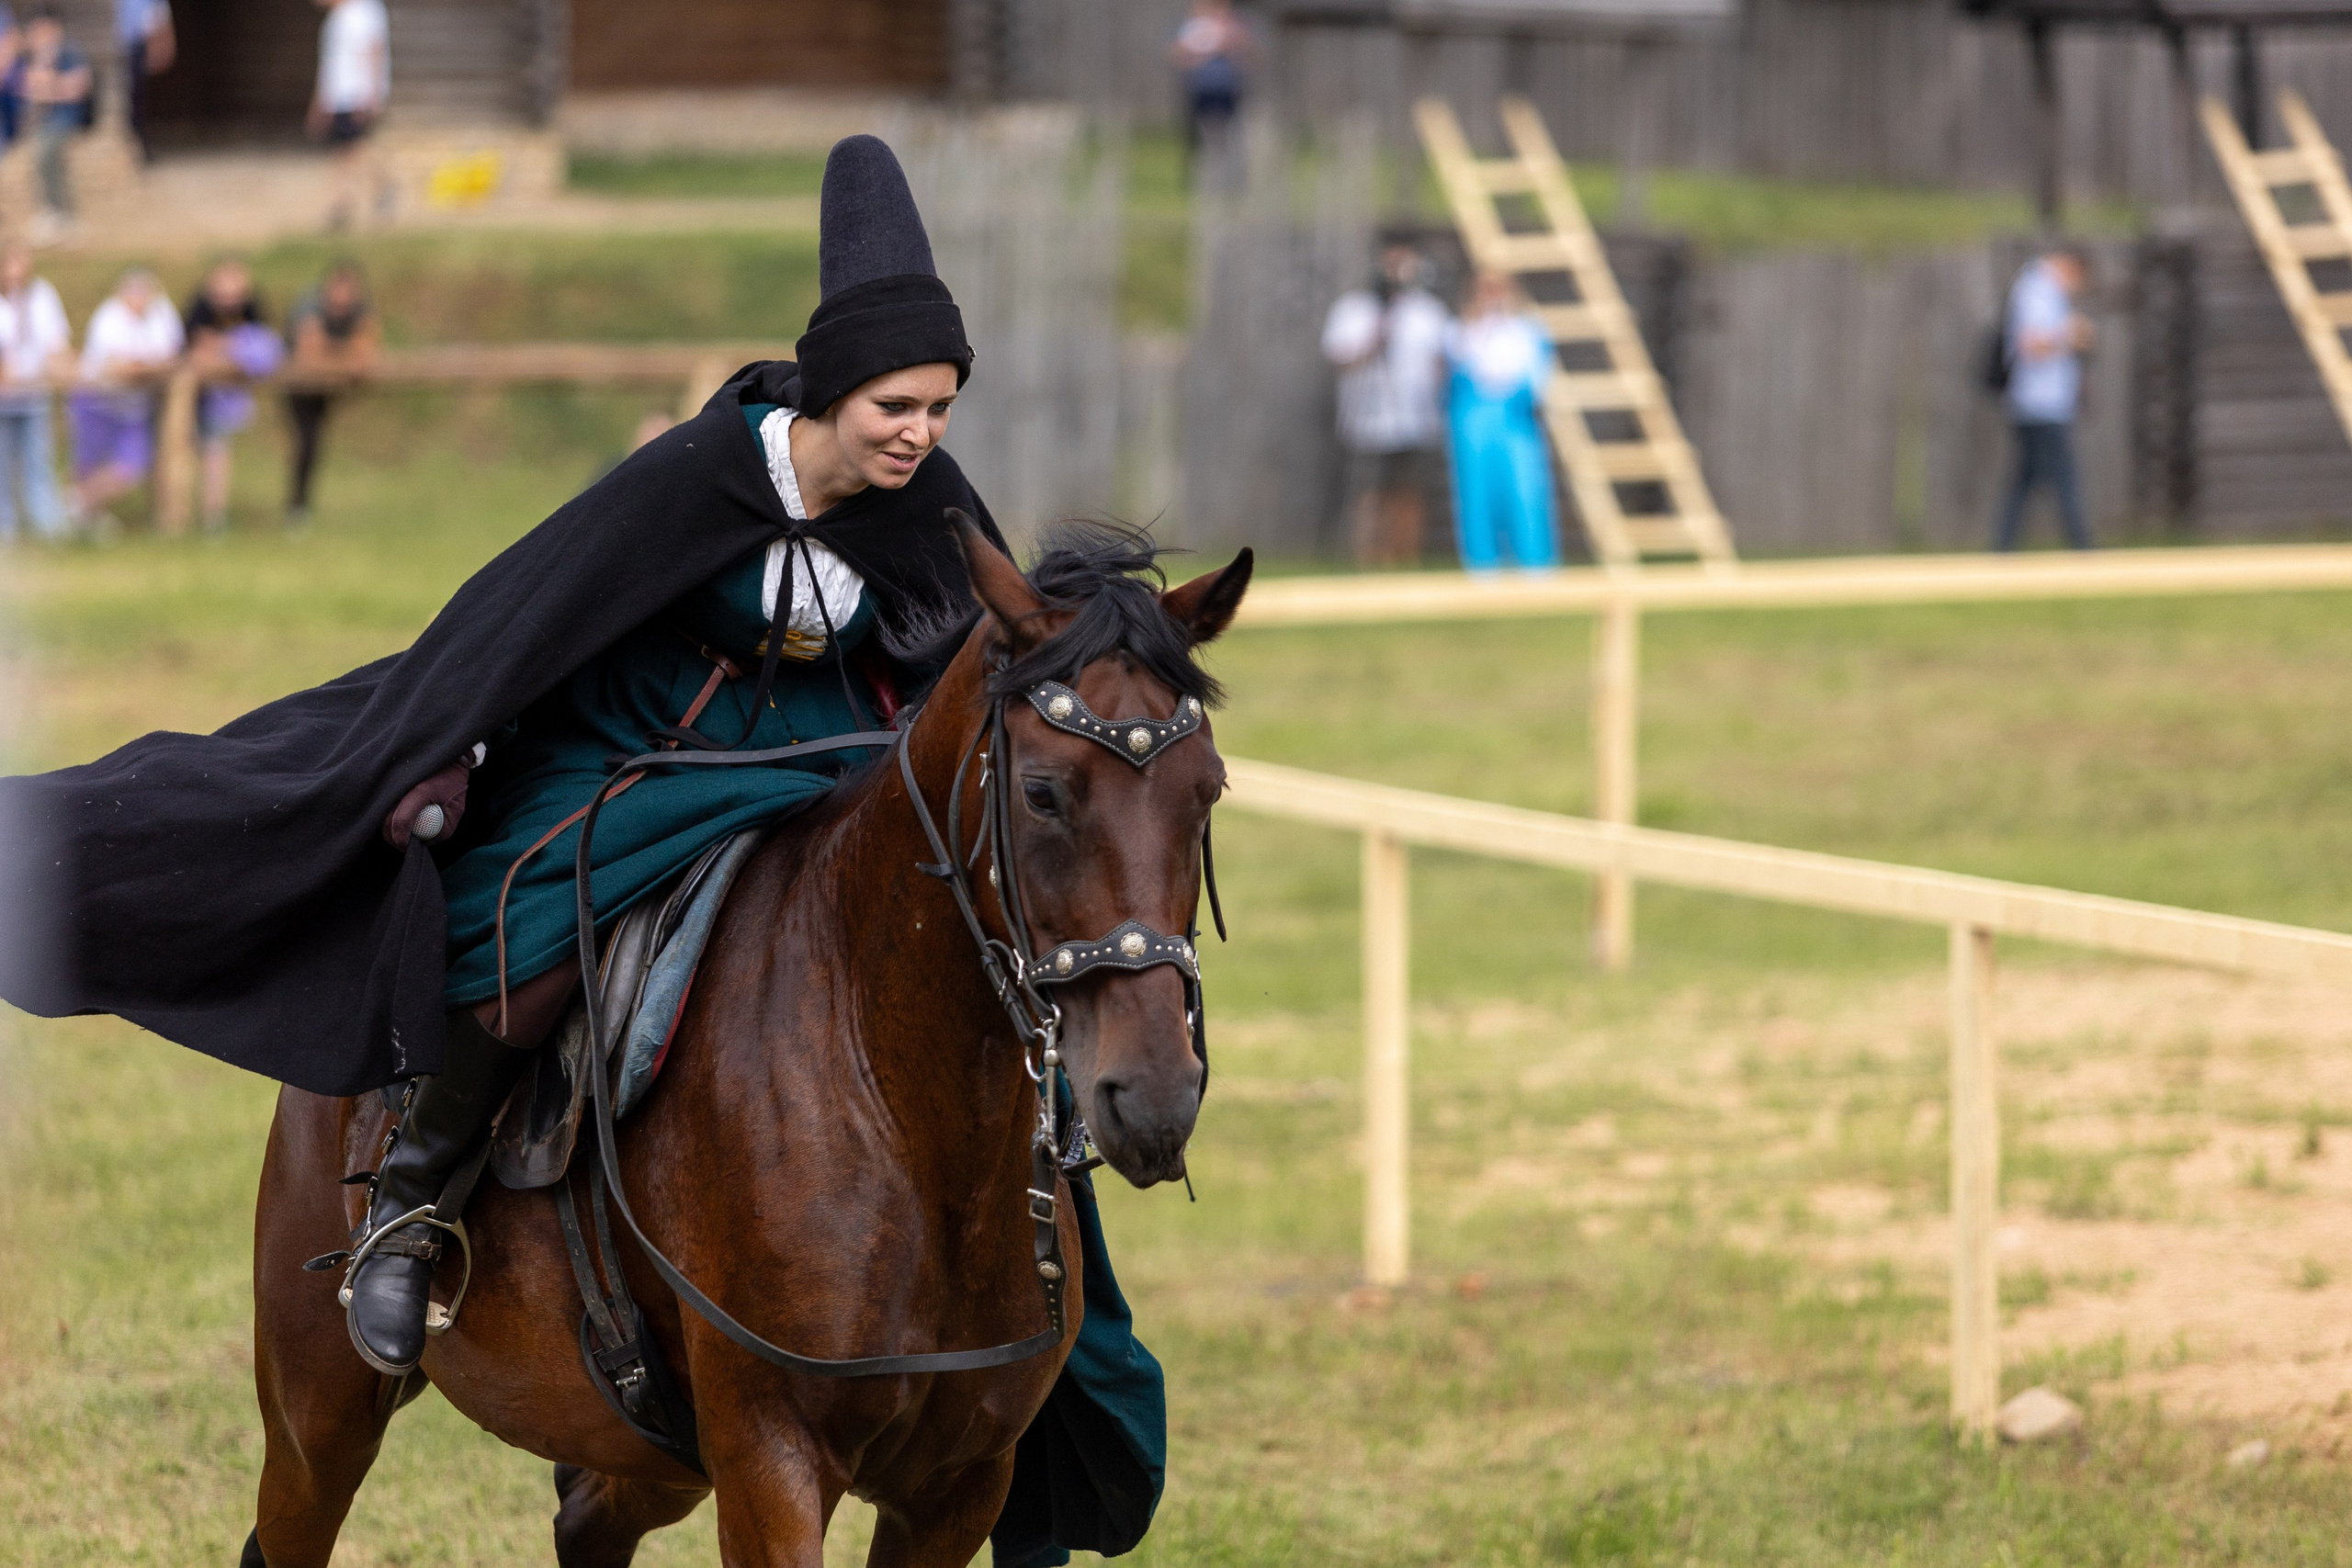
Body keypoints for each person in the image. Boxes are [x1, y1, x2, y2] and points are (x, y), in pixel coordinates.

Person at [0, 135, 1167, 1567]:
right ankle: (414, 1207)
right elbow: (531, 614)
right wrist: (442, 748)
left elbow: (981, 672)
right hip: (638, 754)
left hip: (827, 770)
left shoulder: (927, 501)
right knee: (528, 921)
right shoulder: (698, 475)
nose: (919, 433)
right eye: (894, 405)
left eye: (938, 406)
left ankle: (1021, 1283)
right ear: (827, 390)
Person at [1321, 242, 1450, 567]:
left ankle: (1405, 557)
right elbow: (1338, 358)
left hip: (1416, 418)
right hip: (1369, 418)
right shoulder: (1354, 308)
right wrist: (1372, 343)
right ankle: (1369, 556)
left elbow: (1441, 362)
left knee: (1409, 488)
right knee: (1370, 489)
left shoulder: (1428, 311)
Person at [1444, 269, 1560, 572]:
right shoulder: (1463, 330)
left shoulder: (1528, 330)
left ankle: (1535, 561)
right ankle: (1482, 563)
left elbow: (1539, 375)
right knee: (1476, 490)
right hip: (1473, 414)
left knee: (1525, 488)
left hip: (1514, 413)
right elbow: (1456, 367)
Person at [1994, 246, 2095, 551]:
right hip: (2039, 403)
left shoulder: (2045, 291)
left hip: (2044, 403)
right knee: (2063, 476)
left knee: (2025, 479)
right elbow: (2031, 346)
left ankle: (2001, 547)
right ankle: (2084, 549)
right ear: (2070, 267)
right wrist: (2070, 336)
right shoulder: (2037, 290)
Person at [69, 266, 180, 528]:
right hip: (98, 402)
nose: (140, 299)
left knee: (131, 467)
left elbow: (172, 357)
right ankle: (83, 517)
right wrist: (148, 368)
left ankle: (74, 504)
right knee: (88, 465)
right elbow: (118, 367)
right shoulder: (109, 317)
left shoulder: (162, 314)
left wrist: (144, 367)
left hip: (134, 408)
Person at [183, 258, 281, 533]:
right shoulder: (199, 309)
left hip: (222, 402)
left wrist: (227, 348)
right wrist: (230, 348)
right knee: (188, 454)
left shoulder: (251, 310)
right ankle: (182, 514)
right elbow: (194, 346)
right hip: (193, 397)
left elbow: (264, 348)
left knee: (217, 453)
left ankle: (213, 515)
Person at [280, 257, 377, 525]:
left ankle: (299, 507)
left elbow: (366, 349)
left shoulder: (360, 309)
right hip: (298, 386)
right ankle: (297, 507)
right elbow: (309, 353)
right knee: (306, 443)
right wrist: (345, 354)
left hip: (328, 386)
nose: (344, 296)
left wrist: (333, 353)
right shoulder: (309, 306)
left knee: (315, 444)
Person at [0, 241, 69, 541]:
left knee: (39, 460)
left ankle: (47, 526)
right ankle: (5, 529)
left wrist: (59, 365)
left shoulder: (42, 295)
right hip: (3, 397)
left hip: (34, 392)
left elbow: (55, 341)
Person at [308, 0, 390, 231]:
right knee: (349, 149)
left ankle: (344, 203)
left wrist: (371, 95)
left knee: (350, 149)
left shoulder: (361, 13)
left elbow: (374, 51)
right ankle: (375, 190)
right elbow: (330, 65)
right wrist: (320, 101)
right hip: (339, 95)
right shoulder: (335, 19)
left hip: (355, 95)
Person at [17, 6, 93, 245]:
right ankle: (52, 213)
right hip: (46, 121)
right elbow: (30, 88)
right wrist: (52, 83)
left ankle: (64, 214)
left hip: (70, 119)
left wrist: (51, 87)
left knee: (48, 153)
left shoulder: (70, 52)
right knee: (42, 157)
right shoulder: (37, 57)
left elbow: (79, 87)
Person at [1166, 0, 1253, 178]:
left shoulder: (1235, 27)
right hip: (1200, 91)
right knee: (1201, 138)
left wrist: (1232, 42)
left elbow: (1253, 55)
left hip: (1229, 92)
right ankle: (1203, 178)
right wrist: (1200, 51)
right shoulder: (1191, 27)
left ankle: (1231, 180)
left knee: (1231, 137)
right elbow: (1174, 55)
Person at [117, 0, 173, 163]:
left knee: (141, 99)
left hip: (142, 45)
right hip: (128, 49)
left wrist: (161, 47)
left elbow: (161, 20)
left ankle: (143, 147)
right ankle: (136, 147)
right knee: (133, 100)